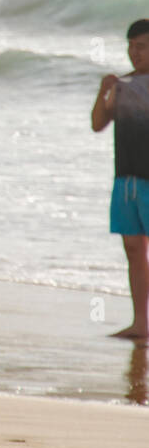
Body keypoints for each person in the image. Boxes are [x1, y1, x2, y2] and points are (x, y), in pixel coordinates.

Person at [92, 18, 149, 340]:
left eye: (141, 47)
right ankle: (141, 323)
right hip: (125, 181)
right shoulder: (123, 85)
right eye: (130, 47)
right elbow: (98, 124)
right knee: (132, 249)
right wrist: (103, 93)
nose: (133, 53)